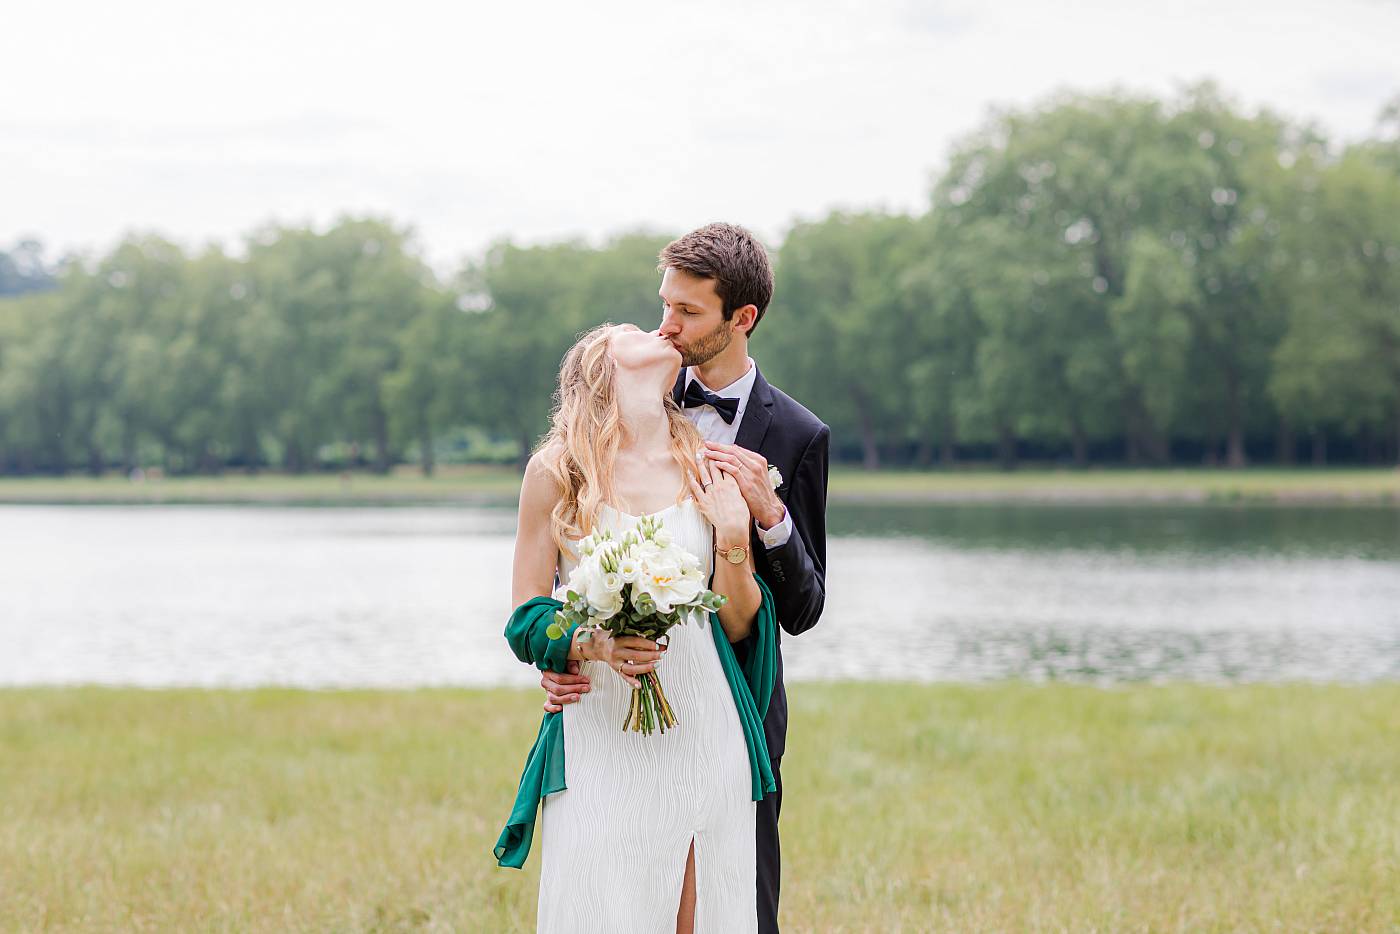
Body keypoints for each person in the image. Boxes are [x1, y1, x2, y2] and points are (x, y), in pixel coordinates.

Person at [540, 223, 831, 933]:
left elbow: (804, 609)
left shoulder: (798, 435)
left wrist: (769, 517)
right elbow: (565, 564)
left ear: (743, 317)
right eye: (664, 304)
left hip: (739, 707)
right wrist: (566, 649)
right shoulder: (630, 399)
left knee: (739, 908)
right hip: (618, 702)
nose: (665, 325)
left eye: (688, 312)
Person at [504, 319, 778, 932]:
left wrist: (734, 536)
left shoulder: (705, 463)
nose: (657, 327)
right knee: (605, 909)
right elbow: (526, 617)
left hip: (702, 723)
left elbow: (738, 623)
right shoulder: (556, 472)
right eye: (630, 328)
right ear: (598, 365)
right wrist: (594, 645)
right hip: (602, 727)